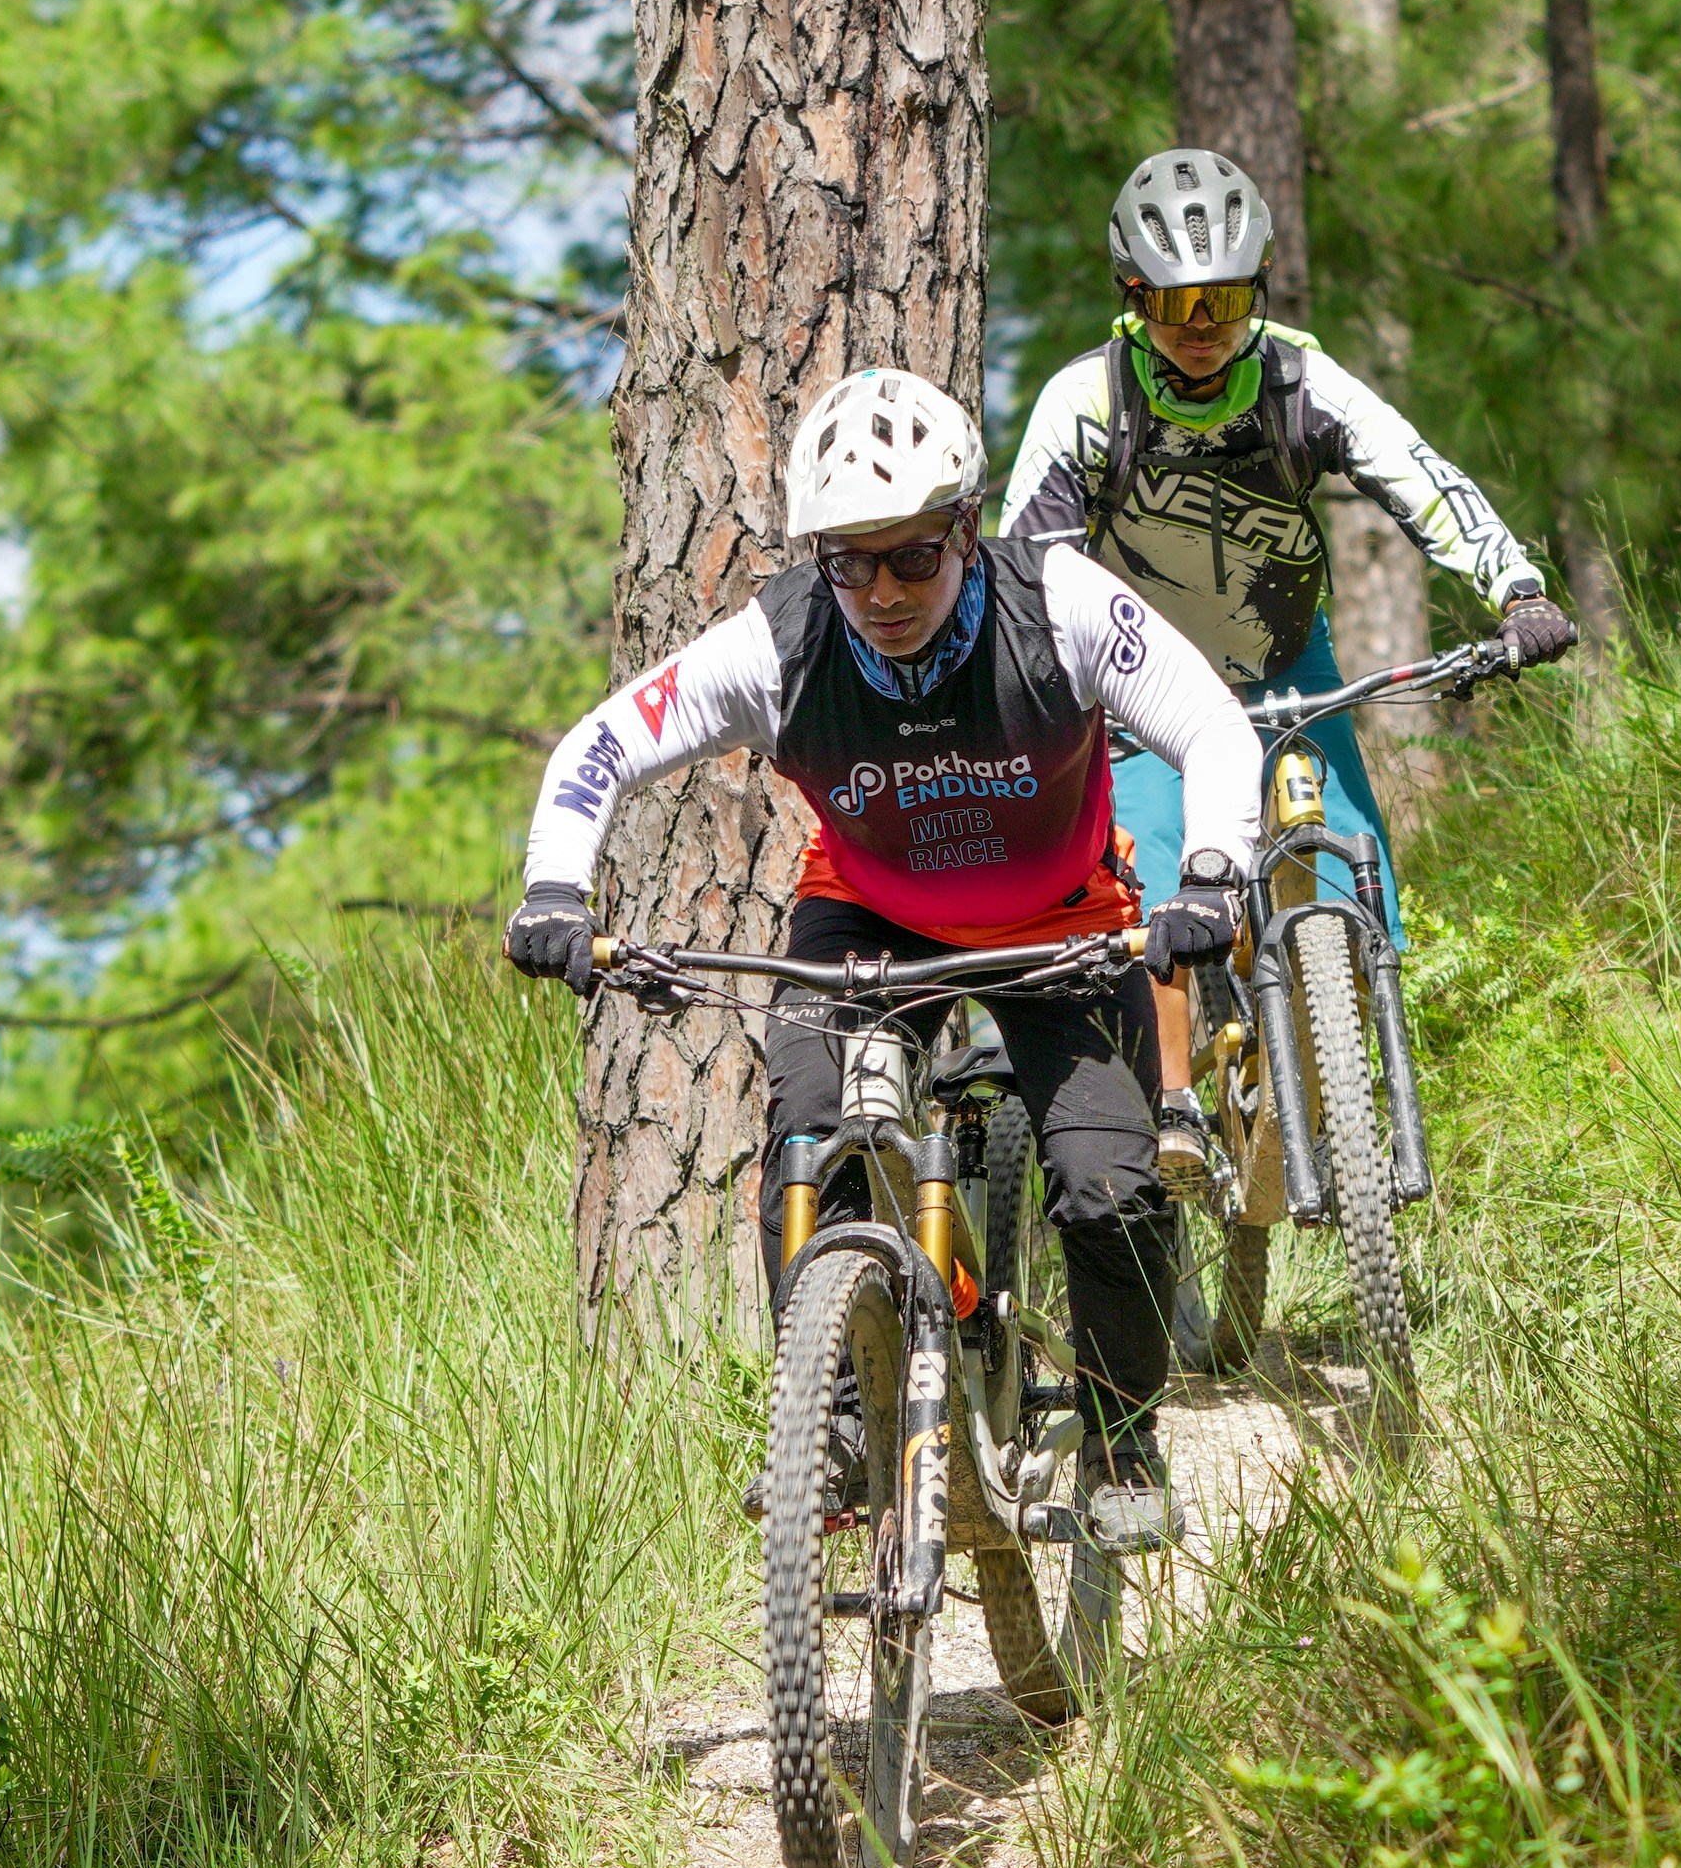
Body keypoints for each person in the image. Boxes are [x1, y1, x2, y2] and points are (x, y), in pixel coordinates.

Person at [502, 370, 1260, 1542]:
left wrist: (1213, 874)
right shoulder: (782, 642)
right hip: (869, 918)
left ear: (966, 528)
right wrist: (555, 887)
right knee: (810, 1140)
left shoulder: (1053, 602)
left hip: (1062, 917)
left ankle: (1122, 1436)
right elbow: (600, 748)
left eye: (910, 554)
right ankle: (841, 1420)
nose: (881, 589)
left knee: (1110, 1191)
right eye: (848, 561)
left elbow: (1211, 722)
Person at [1000, 147, 1577, 930]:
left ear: (1261, 286)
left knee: (1354, 884)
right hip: (1142, 690)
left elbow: (1420, 477)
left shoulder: (1302, 384)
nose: (1203, 327)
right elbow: (1028, 574)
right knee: (1141, 903)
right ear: (1133, 297)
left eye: (1227, 298)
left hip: (1287, 666)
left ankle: (1361, 1043)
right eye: (1176, 304)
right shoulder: (1087, 399)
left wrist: (1517, 588)